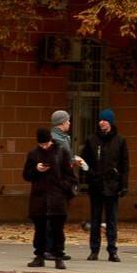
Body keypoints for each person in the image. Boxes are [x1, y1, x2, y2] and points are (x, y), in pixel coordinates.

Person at [22, 126, 76, 268]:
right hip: (39, 197)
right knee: (39, 229)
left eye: (46, 143)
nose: (44, 146)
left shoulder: (61, 152)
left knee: (57, 229)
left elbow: (70, 176)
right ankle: (39, 256)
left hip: (57, 197)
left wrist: (63, 187)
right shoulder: (33, 154)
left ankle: (59, 256)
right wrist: (36, 169)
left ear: (51, 140)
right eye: (42, 144)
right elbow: (26, 175)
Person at [79, 109, 128, 262]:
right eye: (100, 120)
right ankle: (94, 250)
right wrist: (88, 175)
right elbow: (84, 161)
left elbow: (124, 164)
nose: (102, 123)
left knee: (111, 220)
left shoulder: (120, 141)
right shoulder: (92, 140)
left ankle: (112, 250)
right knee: (95, 219)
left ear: (111, 122)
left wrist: (123, 185)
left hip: (112, 185)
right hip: (96, 184)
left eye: (105, 120)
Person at [45, 112, 80, 261]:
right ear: (62, 122)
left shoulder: (64, 138)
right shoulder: (55, 140)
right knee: (53, 217)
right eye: (68, 121)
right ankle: (49, 249)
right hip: (57, 184)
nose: (69, 123)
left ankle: (58, 248)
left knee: (59, 217)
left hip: (63, 182)